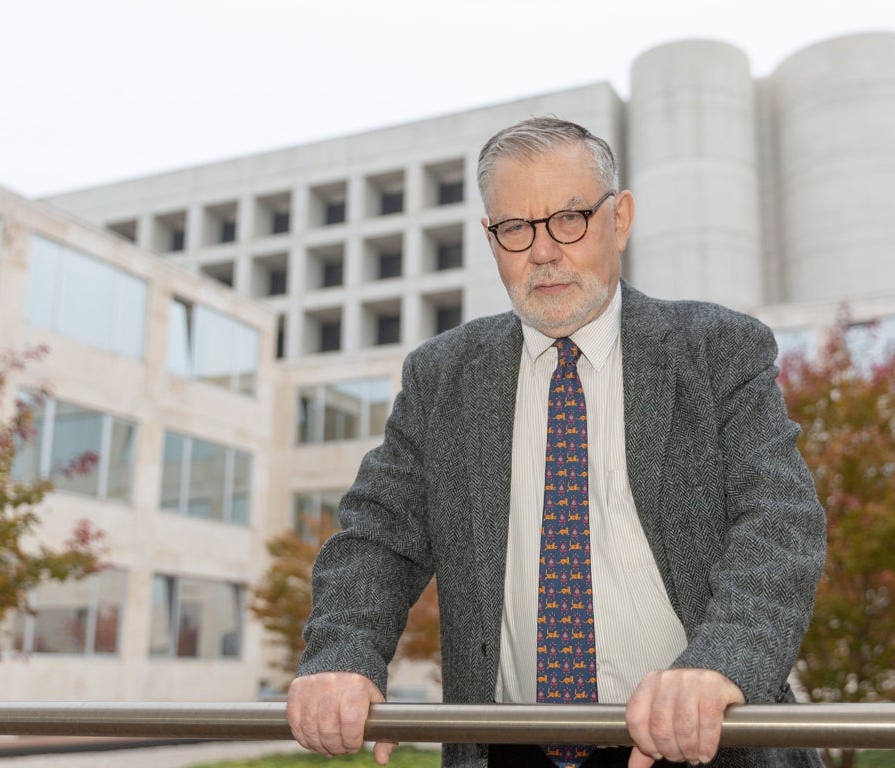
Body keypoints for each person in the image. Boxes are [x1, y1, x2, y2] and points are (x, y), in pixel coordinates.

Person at [287, 117, 826, 768]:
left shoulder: (718, 352)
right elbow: (375, 540)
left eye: (569, 218)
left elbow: (780, 524)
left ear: (619, 220)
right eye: (515, 228)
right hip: (507, 753)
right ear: (491, 238)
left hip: (699, 744)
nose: (543, 252)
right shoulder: (442, 377)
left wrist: (720, 666)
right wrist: (343, 657)